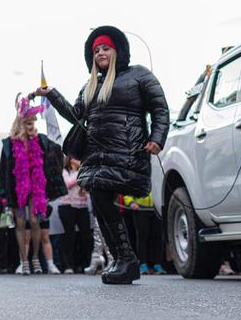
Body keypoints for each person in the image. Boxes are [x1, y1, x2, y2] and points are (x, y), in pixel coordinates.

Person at [33, 25, 170, 285]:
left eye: (105, 48)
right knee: (99, 199)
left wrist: (157, 138)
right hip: (97, 154)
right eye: (96, 50)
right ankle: (122, 258)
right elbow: (75, 115)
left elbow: (159, 109)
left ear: (116, 50)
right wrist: (51, 93)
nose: (100, 53)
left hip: (128, 151)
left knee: (103, 200)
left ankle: (126, 258)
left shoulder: (139, 75)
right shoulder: (91, 85)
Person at [0, 96, 67, 275]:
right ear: (21, 124)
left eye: (33, 123)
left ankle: (36, 258)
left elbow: (58, 156)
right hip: (17, 190)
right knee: (20, 223)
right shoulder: (8, 144)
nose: (32, 127)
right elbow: (4, 171)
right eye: (28, 123)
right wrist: (4, 194)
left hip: (37, 189)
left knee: (36, 222)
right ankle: (24, 261)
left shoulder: (42, 141)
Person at [58, 157, 92, 274]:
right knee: (69, 236)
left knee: (86, 236)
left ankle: (87, 264)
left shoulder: (83, 172)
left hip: (82, 206)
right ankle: (68, 265)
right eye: (77, 158)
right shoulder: (64, 171)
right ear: (71, 159)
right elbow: (67, 184)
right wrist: (80, 172)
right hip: (67, 206)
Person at [119, 192, 166, 275]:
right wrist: (131, 202)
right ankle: (142, 263)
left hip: (156, 209)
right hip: (140, 209)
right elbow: (129, 189)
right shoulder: (137, 177)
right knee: (142, 237)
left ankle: (157, 264)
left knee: (158, 237)